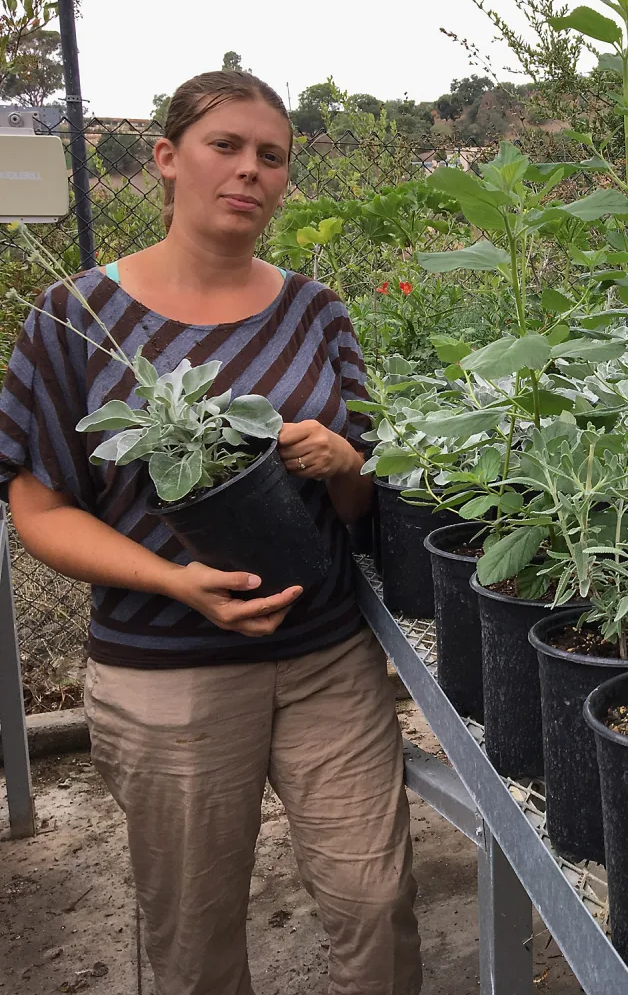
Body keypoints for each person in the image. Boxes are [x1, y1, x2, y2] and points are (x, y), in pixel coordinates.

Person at [0, 71, 422, 995]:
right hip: (167, 673)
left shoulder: (317, 311)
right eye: (225, 146)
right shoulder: (74, 320)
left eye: (271, 157)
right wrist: (174, 581)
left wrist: (346, 466)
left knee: (375, 902)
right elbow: (39, 508)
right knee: (193, 937)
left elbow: (364, 509)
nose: (250, 171)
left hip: (326, 657)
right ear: (166, 159)